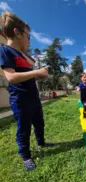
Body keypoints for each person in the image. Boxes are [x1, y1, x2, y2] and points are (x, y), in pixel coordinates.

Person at [0, 12, 50, 171]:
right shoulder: (5, 51)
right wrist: (36, 72)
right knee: (24, 128)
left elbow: (26, 77)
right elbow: (11, 77)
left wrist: (37, 76)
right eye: (28, 35)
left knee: (39, 123)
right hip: (20, 100)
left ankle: (41, 142)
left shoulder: (22, 55)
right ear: (17, 32)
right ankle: (25, 155)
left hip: (33, 98)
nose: (29, 40)